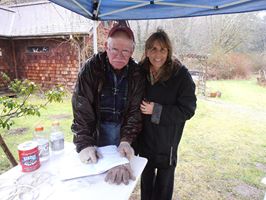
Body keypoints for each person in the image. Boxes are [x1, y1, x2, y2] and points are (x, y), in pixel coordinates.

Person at [71, 21, 145, 185]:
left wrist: (126, 140)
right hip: (96, 129)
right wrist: (84, 144)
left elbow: (135, 111)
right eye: (114, 49)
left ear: (132, 51)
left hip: (122, 130)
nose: (120, 55)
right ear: (106, 46)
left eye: (125, 51)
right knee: (94, 178)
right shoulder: (91, 68)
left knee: (119, 180)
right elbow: (81, 108)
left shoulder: (136, 74)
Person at [138, 29, 197, 200]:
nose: (158, 54)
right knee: (146, 184)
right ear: (147, 51)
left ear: (169, 51)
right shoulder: (139, 71)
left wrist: (156, 110)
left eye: (163, 49)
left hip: (167, 142)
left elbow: (188, 109)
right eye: (153, 49)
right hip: (145, 139)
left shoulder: (181, 75)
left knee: (163, 188)